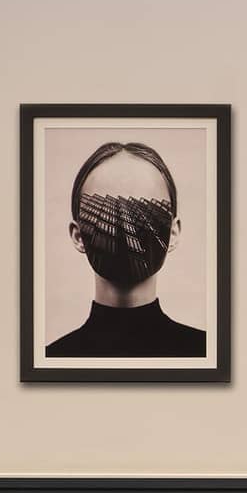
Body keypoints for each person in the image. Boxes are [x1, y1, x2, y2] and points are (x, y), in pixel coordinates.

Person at [45, 142, 206, 358]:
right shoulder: (51, 360)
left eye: (146, 210)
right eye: (106, 210)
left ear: (173, 233)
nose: (124, 227)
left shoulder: (207, 353)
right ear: (78, 236)